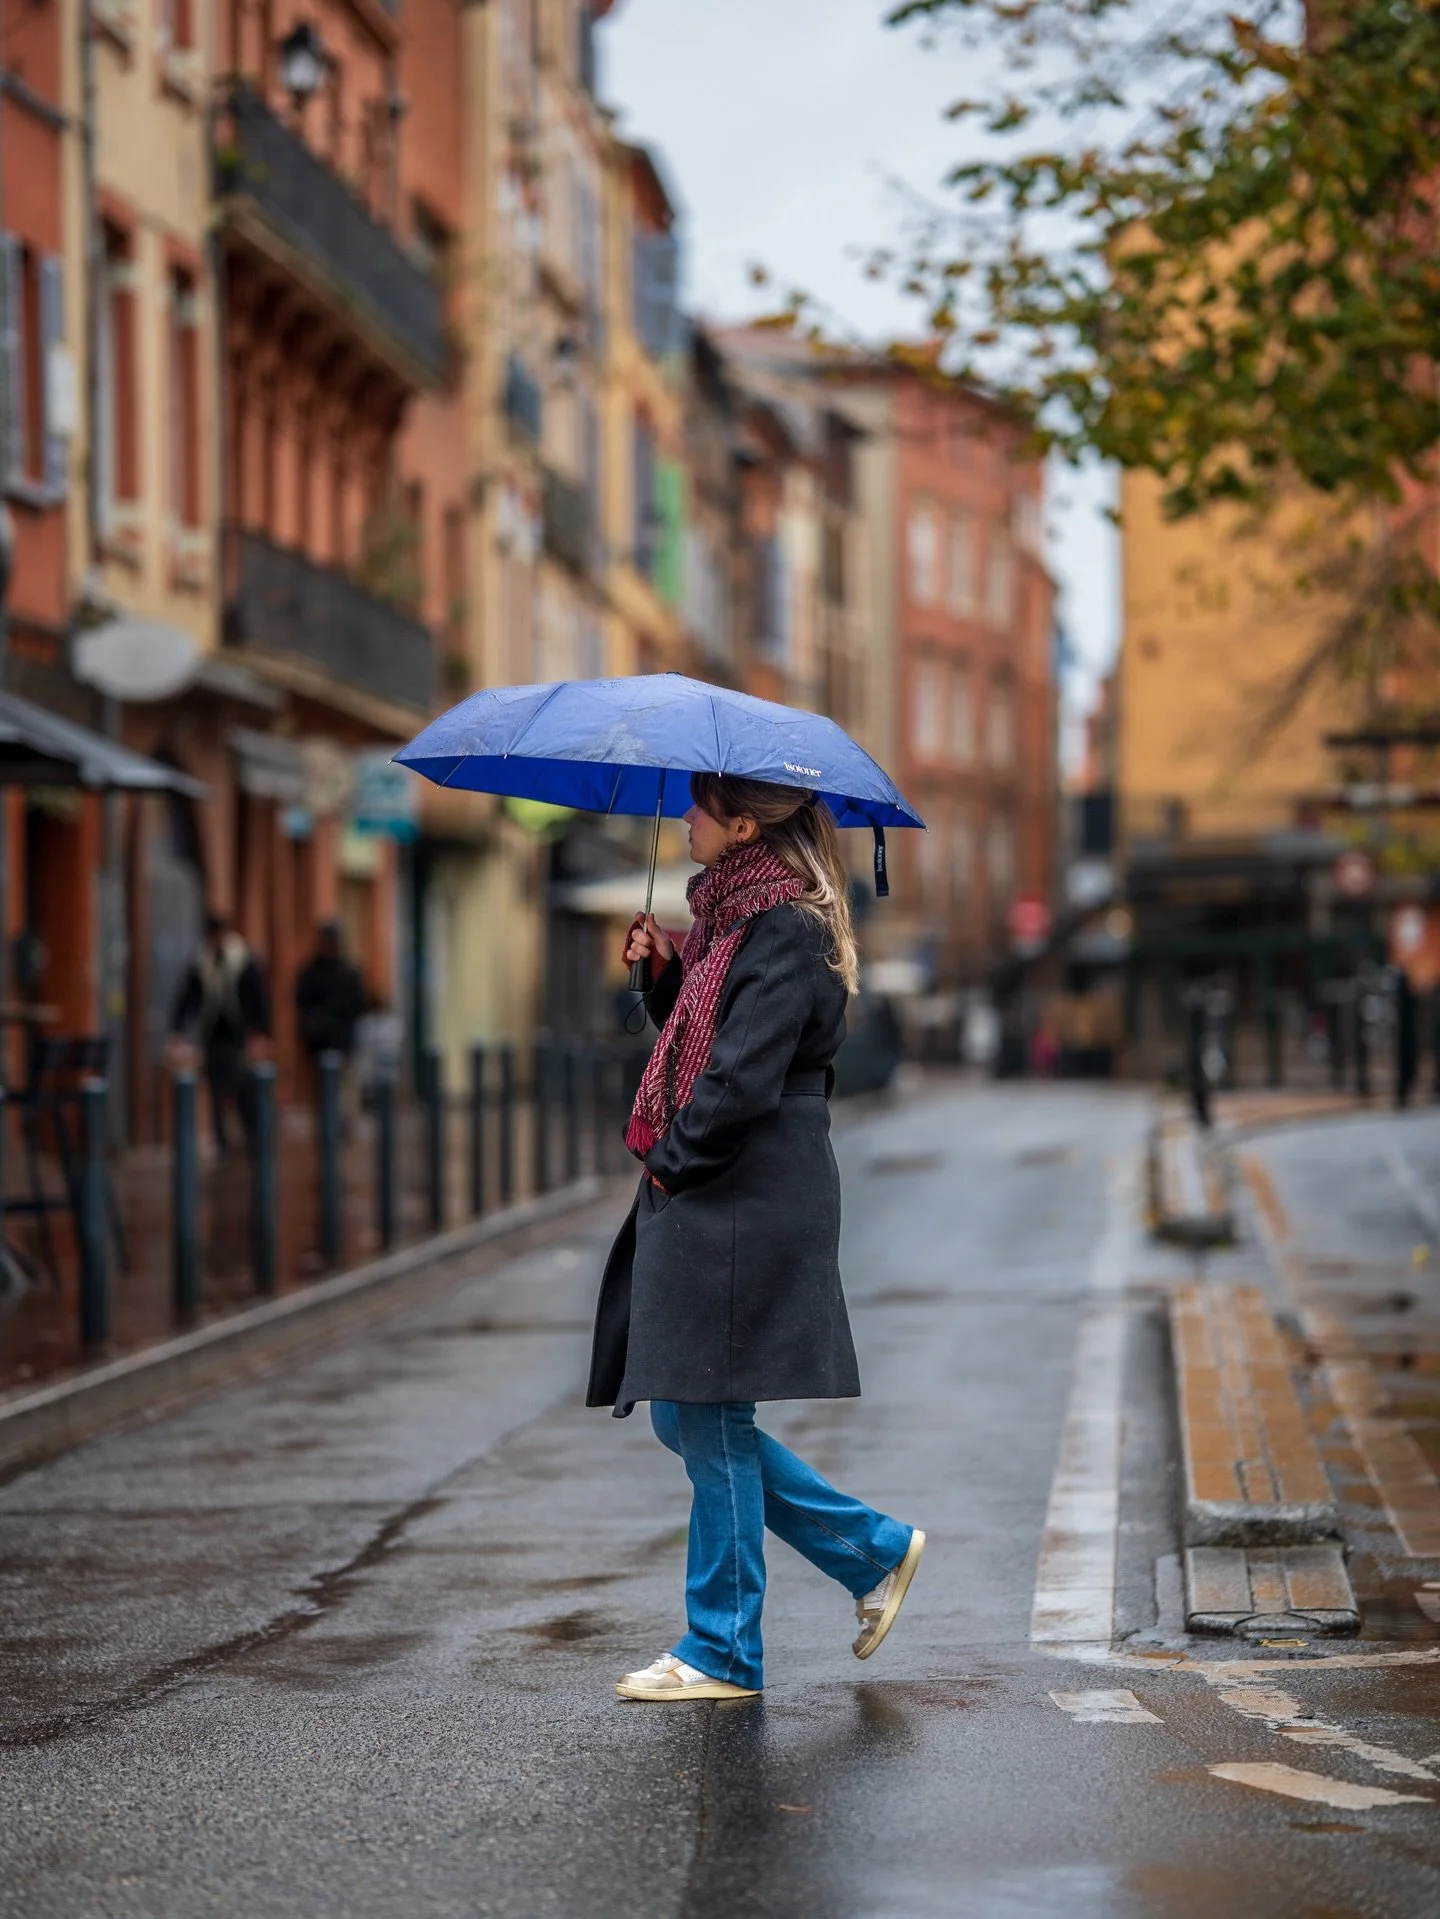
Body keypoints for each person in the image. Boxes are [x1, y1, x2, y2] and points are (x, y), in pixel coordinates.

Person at [589, 773, 925, 1704]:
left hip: (746, 1190)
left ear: (744, 825)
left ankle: (723, 1648)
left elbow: (737, 1077)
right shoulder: (733, 922)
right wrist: (667, 974)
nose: (685, 820)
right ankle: (872, 1551)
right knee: (686, 1411)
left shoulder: (782, 924)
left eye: (701, 807)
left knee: (709, 1411)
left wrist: (671, 1160)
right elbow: (704, 1040)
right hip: (732, 1184)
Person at [169, 913, 271, 1156]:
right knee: (215, 1087)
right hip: (214, 1034)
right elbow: (188, 997)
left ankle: (251, 1138)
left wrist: (261, 1033)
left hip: (240, 1034)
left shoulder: (244, 960)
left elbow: (258, 999)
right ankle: (221, 1140)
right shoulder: (202, 962)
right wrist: (178, 1030)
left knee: (243, 1086)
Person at [295, 920, 366, 1106]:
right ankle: (327, 1129)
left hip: (343, 1043)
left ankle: (341, 1129)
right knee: (322, 1094)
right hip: (318, 1044)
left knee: (345, 1094)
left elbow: (358, 1005)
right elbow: (301, 1001)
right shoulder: (312, 972)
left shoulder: (349, 973)